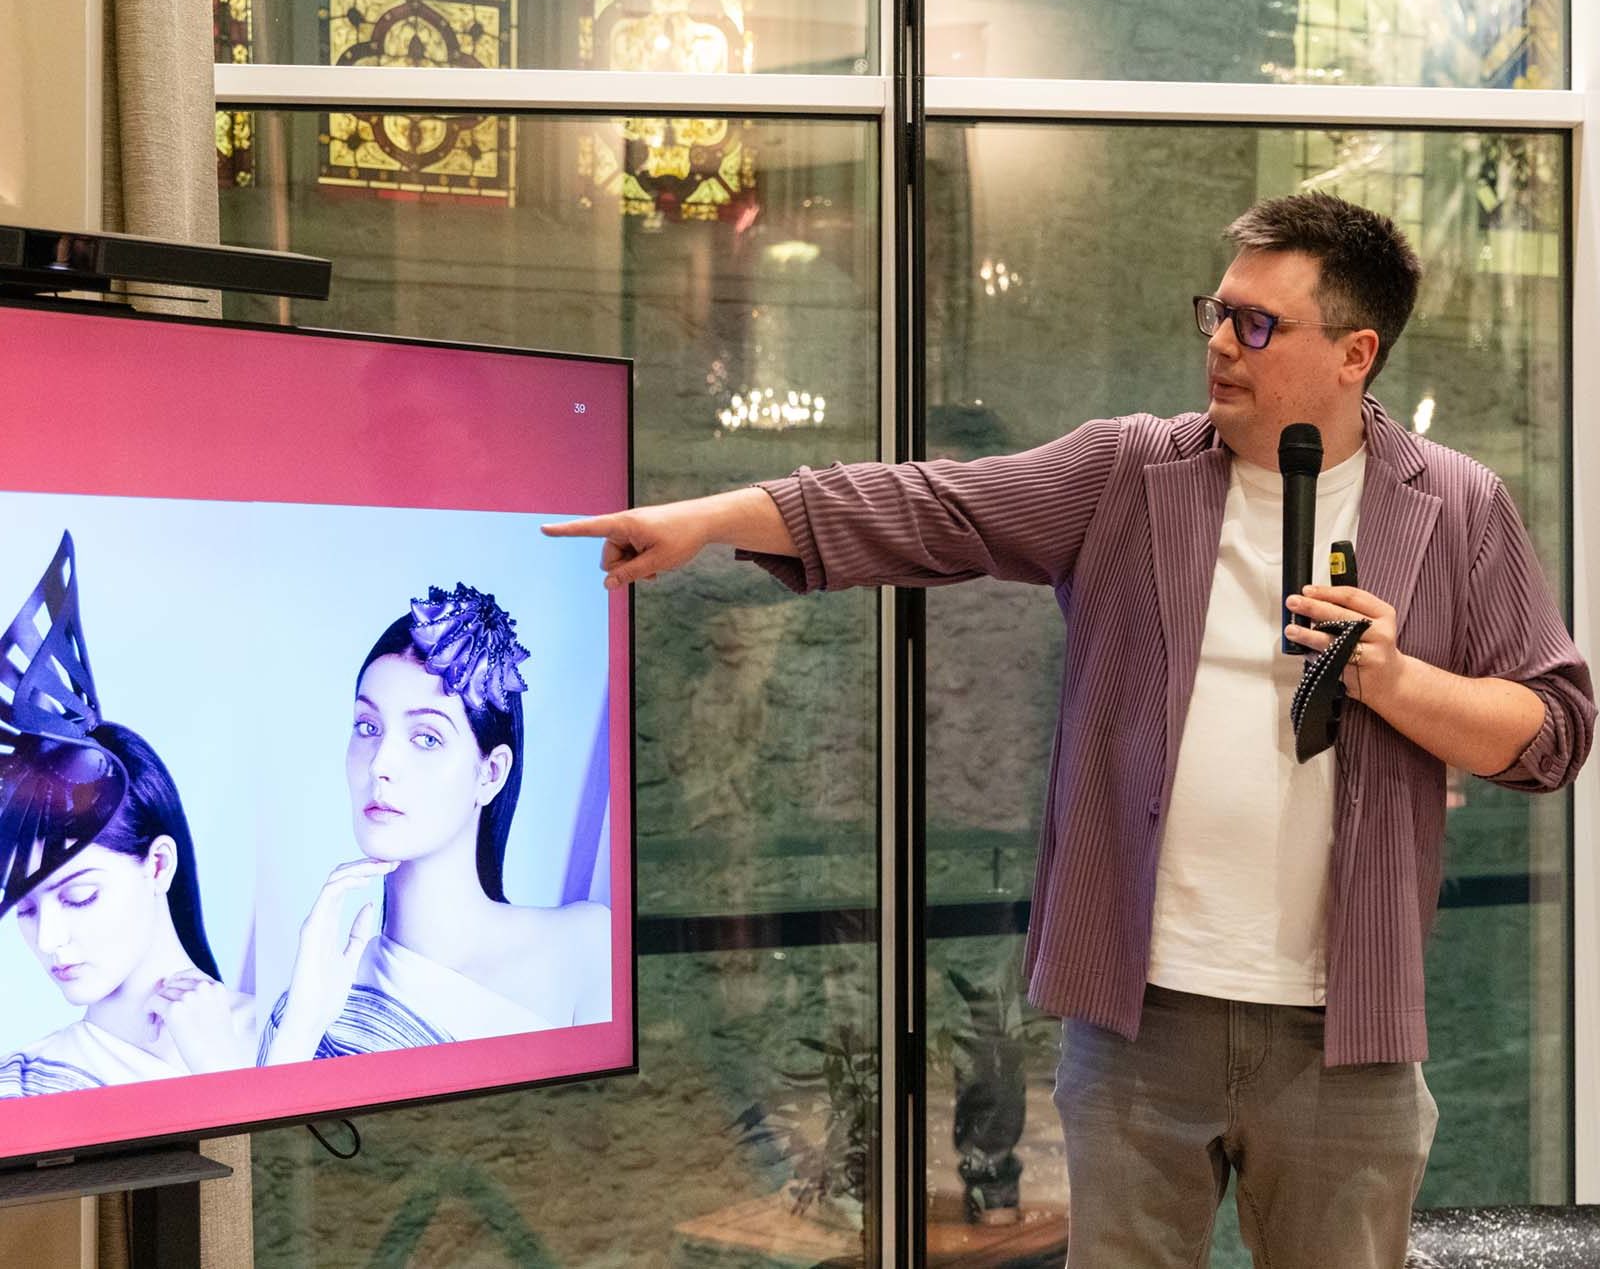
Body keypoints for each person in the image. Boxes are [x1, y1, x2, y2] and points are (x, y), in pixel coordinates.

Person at [544, 193, 1595, 1268]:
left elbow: (1551, 728)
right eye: (1217, 313)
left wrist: (1394, 678)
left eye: (1258, 325)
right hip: (1140, 1019)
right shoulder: (1128, 473)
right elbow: (929, 507)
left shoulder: (1455, 505)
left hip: (1347, 1032)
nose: (1221, 344)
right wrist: (714, 516)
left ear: (1354, 352)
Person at [260, 583, 610, 1064]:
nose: (381, 762)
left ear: (491, 773)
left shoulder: (585, 947)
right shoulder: (310, 1003)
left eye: (426, 738)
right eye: (368, 727)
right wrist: (301, 1025)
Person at [0, 534, 253, 1096]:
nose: (49, 940)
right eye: (25, 910)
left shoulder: (276, 1036)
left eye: (79, 895)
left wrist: (226, 1073)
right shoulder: (18, 1086)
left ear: (158, 864)